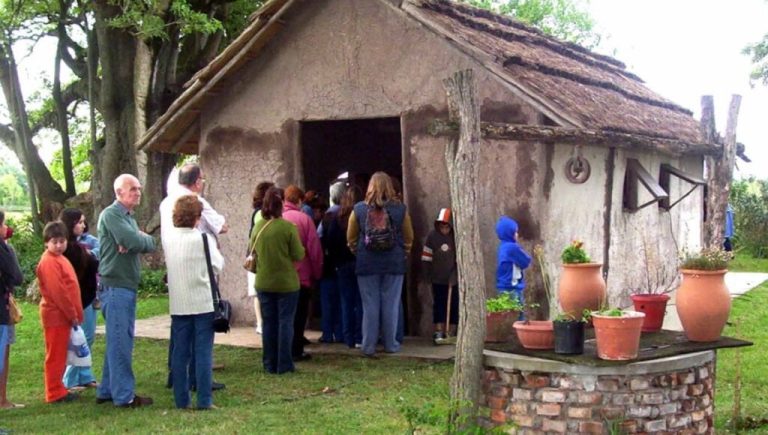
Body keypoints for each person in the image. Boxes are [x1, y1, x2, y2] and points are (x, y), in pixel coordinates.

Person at [160, 163, 226, 391]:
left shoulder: (166, 202)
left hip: (176, 266)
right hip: (199, 269)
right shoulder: (197, 202)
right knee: (201, 335)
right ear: (197, 181)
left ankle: (176, 375)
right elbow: (222, 226)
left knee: (179, 331)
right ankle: (199, 379)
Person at [96, 174, 156, 408]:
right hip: (116, 286)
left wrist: (138, 239)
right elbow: (131, 241)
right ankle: (124, 396)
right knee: (121, 341)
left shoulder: (127, 217)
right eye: (132, 189)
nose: (138, 192)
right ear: (119, 192)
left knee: (117, 339)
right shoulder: (112, 214)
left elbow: (144, 242)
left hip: (124, 285)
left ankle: (107, 389)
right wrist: (135, 240)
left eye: (139, 188)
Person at [347, 172, 414, 357]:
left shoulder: (359, 209)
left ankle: (368, 345)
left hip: (366, 264)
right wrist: (404, 252)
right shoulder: (400, 209)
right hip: (393, 263)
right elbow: (408, 236)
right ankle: (390, 344)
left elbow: (351, 237)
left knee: (370, 305)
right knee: (391, 305)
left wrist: (358, 251)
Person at [166, 195, 223, 409]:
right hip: (202, 301)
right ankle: (204, 400)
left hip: (179, 302)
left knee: (180, 352)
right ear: (196, 217)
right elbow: (218, 265)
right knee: (203, 352)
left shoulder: (169, 240)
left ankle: (181, 400)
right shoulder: (202, 239)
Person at [250, 187, 305, 374]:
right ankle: (284, 364)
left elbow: (251, 250)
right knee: (285, 323)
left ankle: (269, 363)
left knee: (269, 323)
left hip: (264, 281)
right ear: (281, 204)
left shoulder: (258, 227)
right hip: (286, 283)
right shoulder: (288, 228)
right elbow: (298, 254)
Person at [36, 221, 84, 403]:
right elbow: (59, 292)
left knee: (61, 354)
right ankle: (54, 392)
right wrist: (72, 314)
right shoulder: (49, 261)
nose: (58, 245)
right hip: (56, 315)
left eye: (62, 241)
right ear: (46, 243)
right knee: (55, 355)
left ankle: (59, 387)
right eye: (54, 242)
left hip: (64, 315)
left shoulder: (60, 258)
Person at [58, 209, 99, 390]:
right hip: (77, 298)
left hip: (88, 296)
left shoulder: (84, 244)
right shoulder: (68, 248)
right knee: (79, 338)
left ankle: (84, 374)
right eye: (79, 222)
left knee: (87, 336)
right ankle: (70, 378)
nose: (83, 225)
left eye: (84, 222)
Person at [283, 185, 323, 360]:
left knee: (284, 316)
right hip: (301, 275)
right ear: (299, 200)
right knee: (299, 316)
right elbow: (314, 249)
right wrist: (317, 272)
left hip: (281, 277)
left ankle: (283, 349)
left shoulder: (277, 218)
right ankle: (296, 349)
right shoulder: (304, 219)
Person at [331, 185, 364, 348]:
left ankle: (347, 337)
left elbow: (331, 241)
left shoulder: (337, 218)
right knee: (361, 301)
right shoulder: (362, 216)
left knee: (346, 301)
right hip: (359, 262)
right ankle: (359, 336)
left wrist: (336, 261)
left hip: (342, 264)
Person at [421, 208, 459, 343]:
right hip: (437, 279)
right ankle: (439, 330)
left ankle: (452, 330)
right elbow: (426, 257)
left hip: (453, 280)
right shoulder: (432, 237)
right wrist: (427, 276)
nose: (444, 228)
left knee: (454, 305)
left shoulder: (456, 238)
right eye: (442, 225)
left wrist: (454, 276)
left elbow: (459, 260)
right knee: (439, 304)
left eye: (447, 226)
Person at [318, 181, 347, 343]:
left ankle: (327, 333)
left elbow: (318, 239)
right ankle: (343, 332)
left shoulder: (327, 217)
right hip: (344, 262)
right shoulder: (348, 214)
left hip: (328, 264)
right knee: (344, 299)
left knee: (328, 301)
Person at [0, 210, 24, 409]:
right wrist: (8, 249)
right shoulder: (3, 249)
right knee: (3, 352)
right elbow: (16, 276)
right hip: (1, 308)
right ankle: (2, 399)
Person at [247, 181, 275, 335]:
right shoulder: (260, 213)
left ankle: (261, 323)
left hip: (256, 255)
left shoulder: (257, 212)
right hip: (259, 257)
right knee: (258, 292)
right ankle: (261, 323)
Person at [495, 216, 532, 315]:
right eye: (515, 232)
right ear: (509, 233)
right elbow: (525, 261)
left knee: (506, 315)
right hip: (512, 287)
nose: (517, 234)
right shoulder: (512, 247)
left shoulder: (502, 246)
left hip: (503, 286)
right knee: (518, 317)